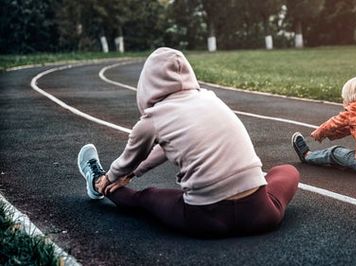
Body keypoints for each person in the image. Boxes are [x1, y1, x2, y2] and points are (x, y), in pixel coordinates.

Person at [78, 47, 299, 238]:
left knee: (145, 198)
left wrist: (112, 177)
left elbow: (129, 159)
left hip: (205, 219)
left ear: (147, 84)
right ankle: (247, 184)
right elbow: (163, 149)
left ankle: (97, 183)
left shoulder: (153, 119)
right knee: (287, 170)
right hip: (260, 214)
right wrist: (135, 172)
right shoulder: (209, 98)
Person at [291, 76, 356, 174]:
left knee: (335, 151)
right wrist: (332, 135)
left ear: (351, 97)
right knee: (352, 154)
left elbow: (333, 123)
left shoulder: (353, 112)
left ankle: (307, 156)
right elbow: (350, 129)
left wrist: (319, 133)